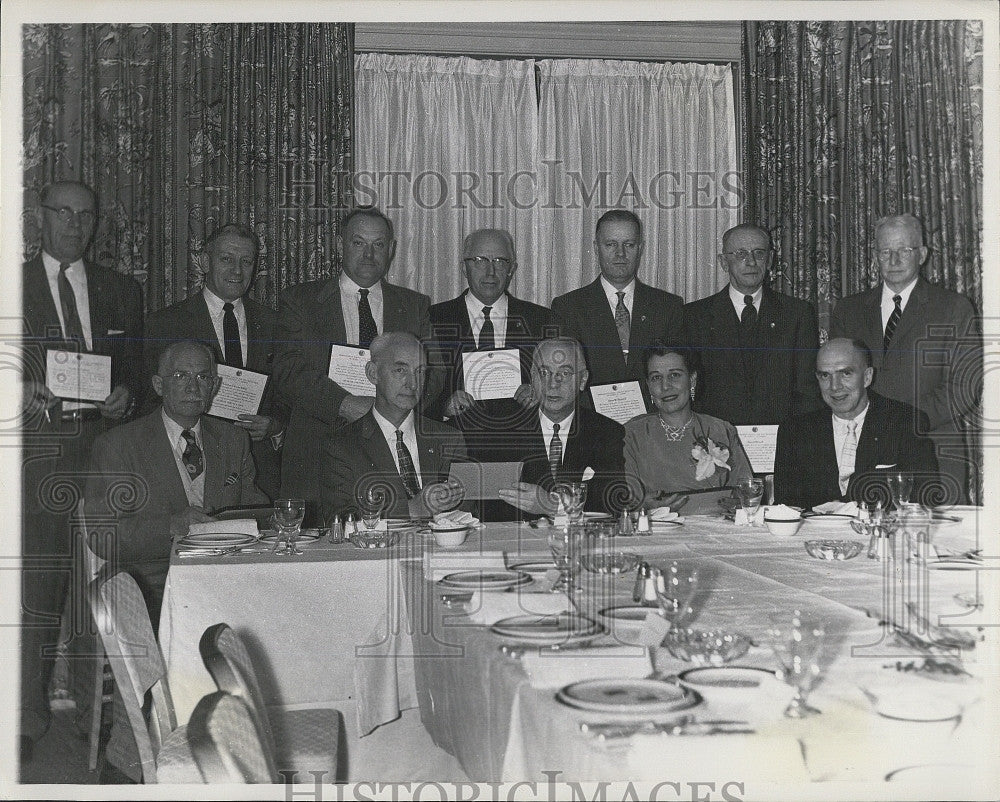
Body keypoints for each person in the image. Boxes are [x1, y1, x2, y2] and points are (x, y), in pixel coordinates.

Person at [19, 180, 143, 762]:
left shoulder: (122, 290)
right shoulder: (10, 282)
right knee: (37, 590)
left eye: (85, 215)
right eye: (62, 213)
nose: (74, 224)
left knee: (114, 585)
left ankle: (112, 720)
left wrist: (126, 394)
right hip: (37, 456)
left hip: (106, 454)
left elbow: (141, 372)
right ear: (38, 217)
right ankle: (25, 714)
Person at [86, 340, 267, 624]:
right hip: (153, 589)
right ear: (159, 385)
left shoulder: (233, 439)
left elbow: (255, 510)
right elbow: (101, 536)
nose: (193, 387)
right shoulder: (118, 445)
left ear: (216, 386)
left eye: (203, 377)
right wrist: (171, 526)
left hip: (230, 581)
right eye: (181, 376)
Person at [274, 207, 431, 508]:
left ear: (392, 249)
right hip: (316, 453)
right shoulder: (299, 301)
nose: (369, 255)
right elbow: (288, 371)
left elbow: (431, 376)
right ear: (339, 245)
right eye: (358, 243)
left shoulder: (414, 305)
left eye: (379, 245)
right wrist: (346, 404)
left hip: (393, 452)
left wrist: (387, 411)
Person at [829, 214, 979, 503]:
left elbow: (964, 389)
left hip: (933, 451)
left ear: (922, 254)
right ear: (875, 256)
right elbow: (839, 382)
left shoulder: (954, 308)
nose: (894, 259)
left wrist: (899, 423)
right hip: (864, 455)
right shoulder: (849, 310)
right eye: (885, 252)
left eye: (904, 250)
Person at [144, 224, 287, 499]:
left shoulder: (275, 324)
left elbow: (289, 393)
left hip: (262, 474)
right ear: (206, 262)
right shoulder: (165, 324)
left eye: (246, 262)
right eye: (227, 259)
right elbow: (151, 399)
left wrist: (275, 425)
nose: (237, 271)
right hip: (192, 471)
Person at [424, 227, 560, 459]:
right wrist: (443, 406)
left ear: (512, 269)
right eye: (479, 260)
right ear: (463, 268)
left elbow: (559, 385)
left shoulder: (540, 319)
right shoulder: (433, 318)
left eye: (500, 260)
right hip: (453, 450)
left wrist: (540, 394)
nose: (490, 271)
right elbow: (418, 386)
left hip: (523, 452)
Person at [774, 338, 938, 511]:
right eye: (825, 375)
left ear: (867, 377)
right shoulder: (795, 431)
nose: (834, 386)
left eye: (845, 373)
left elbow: (924, 495)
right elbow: (785, 506)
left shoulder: (905, 422)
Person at [683, 224, 822, 425]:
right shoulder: (695, 316)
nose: (751, 262)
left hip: (781, 442)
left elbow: (808, 391)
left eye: (759, 253)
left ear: (770, 260)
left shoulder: (797, 314)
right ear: (723, 262)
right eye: (740, 254)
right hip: (716, 443)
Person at [319, 332, 467, 521]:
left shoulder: (449, 439)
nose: (413, 384)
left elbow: (468, 513)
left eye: (420, 372)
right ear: (373, 373)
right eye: (400, 370)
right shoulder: (341, 445)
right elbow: (339, 520)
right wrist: (411, 510)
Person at [550, 210, 684, 408]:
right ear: (596, 249)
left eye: (628, 245)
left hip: (652, 424)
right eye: (611, 244)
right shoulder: (568, 307)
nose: (620, 254)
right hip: (594, 426)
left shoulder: (668, 306)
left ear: (640, 248)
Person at [498, 338, 626, 517]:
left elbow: (612, 500)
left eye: (565, 373)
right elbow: (492, 508)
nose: (552, 383)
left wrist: (553, 505)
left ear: (582, 380)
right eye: (544, 372)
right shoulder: (504, 432)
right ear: (532, 377)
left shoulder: (607, 432)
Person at [623, 343, 753, 507]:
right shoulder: (632, 434)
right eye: (656, 378)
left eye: (675, 375)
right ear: (648, 386)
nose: (665, 386)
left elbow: (747, 491)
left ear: (692, 380)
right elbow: (624, 499)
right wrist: (643, 506)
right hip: (655, 529)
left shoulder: (721, 430)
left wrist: (737, 502)